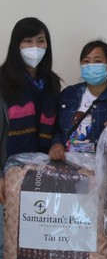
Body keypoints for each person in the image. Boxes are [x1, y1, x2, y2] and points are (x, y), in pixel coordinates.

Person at [0, 17, 61, 202]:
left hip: (44, 171)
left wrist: (56, 143)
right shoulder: (3, 80)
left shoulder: (52, 82)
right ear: (16, 45)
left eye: (40, 41)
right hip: (8, 172)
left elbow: (57, 124)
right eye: (27, 41)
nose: (35, 47)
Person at [48, 40, 107, 160]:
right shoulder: (68, 95)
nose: (91, 65)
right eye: (86, 61)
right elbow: (54, 126)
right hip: (65, 164)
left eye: (97, 61)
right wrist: (56, 144)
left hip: (97, 168)